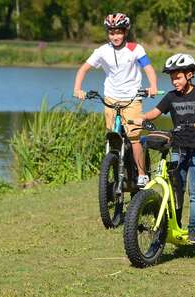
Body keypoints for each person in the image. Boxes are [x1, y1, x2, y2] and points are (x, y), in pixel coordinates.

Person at [136, 53, 195, 243]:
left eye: (178, 77)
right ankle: (176, 226)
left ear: (189, 75)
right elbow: (156, 111)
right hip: (177, 148)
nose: (174, 81)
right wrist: (143, 117)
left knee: (194, 191)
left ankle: (194, 231)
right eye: (172, 77)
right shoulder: (171, 97)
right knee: (175, 189)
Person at [73, 12, 158, 187]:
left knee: (134, 137)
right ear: (108, 34)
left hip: (132, 99)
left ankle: (142, 174)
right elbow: (83, 69)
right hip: (111, 99)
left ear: (126, 31)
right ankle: (114, 168)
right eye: (112, 33)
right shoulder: (102, 51)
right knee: (113, 137)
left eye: (119, 32)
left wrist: (153, 86)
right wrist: (77, 89)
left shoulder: (136, 48)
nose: (115, 36)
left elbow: (148, 68)